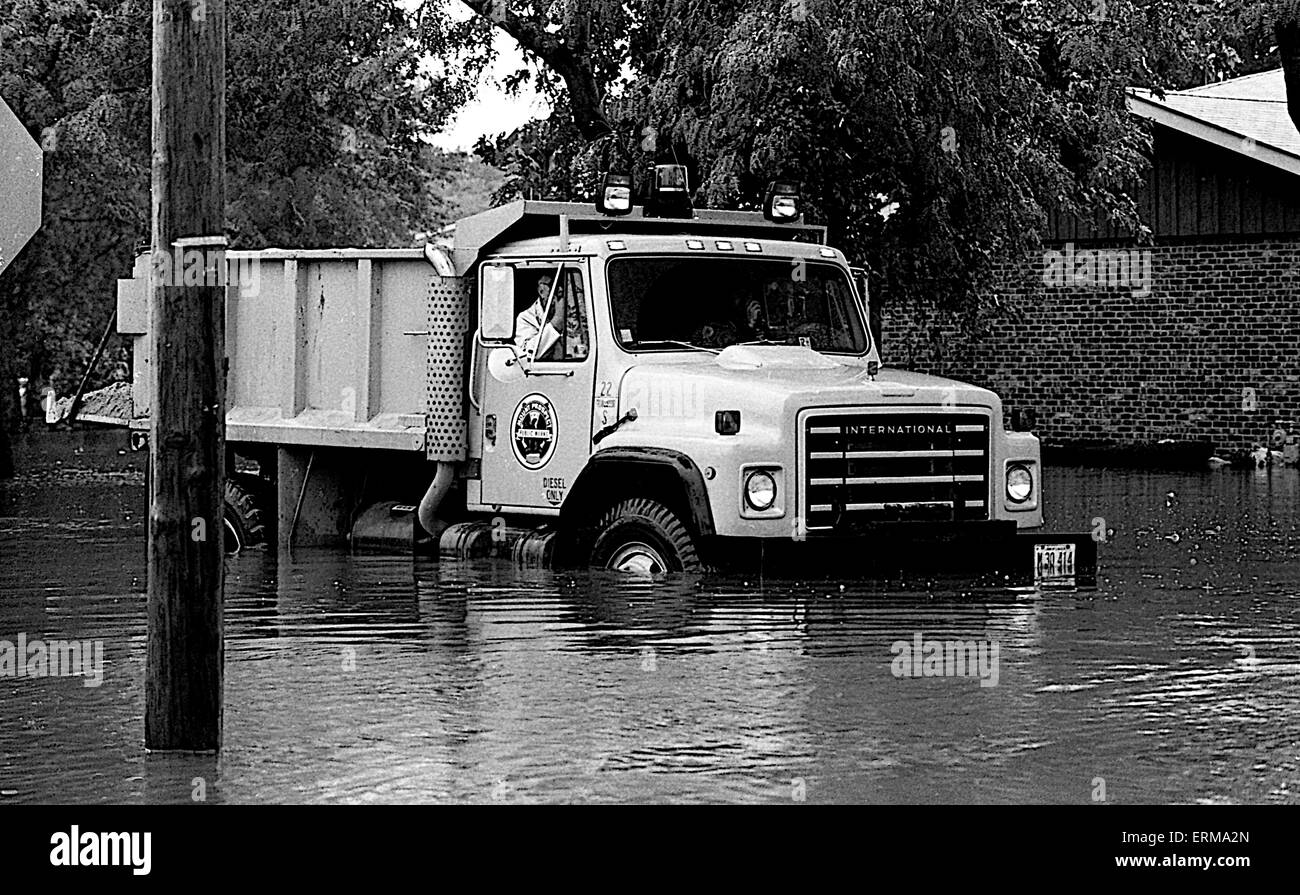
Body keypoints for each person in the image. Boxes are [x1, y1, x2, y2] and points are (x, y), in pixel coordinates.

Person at [515, 272, 588, 361]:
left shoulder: (579, 312)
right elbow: (528, 356)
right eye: (554, 285)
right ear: (541, 291)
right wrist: (556, 322)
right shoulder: (526, 318)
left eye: (563, 285)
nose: (560, 289)